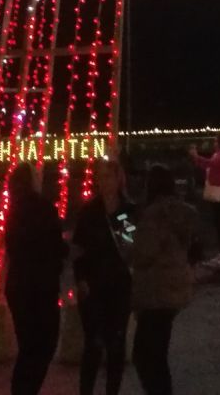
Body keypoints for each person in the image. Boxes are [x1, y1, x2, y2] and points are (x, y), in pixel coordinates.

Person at [130, 163, 199, 395]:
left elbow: (142, 253)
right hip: (174, 289)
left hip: (155, 291)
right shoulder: (181, 213)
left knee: (145, 355)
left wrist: (126, 234)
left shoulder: (154, 215)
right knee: (157, 353)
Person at [4, 162, 68, 395]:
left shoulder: (14, 211)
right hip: (40, 288)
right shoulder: (42, 208)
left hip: (18, 287)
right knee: (44, 346)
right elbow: (55, 245)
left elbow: (13, 248)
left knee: (28, 348)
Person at [72, 158, 134, 395]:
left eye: (108, 176)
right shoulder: (89, 212)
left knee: (116, 344)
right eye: (101, 177)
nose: (104, 182)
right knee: (93, 344)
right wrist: (81, 279)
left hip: (119, 285)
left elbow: (129, 246)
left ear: (118, 179)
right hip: (94, 286)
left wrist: (120, 219)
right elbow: (79, 250)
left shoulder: (126, 210)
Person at [188, 135, 220, 258]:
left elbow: (211, 164)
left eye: (216, 141)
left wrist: (196, 156)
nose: (214, 144)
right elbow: (209, 164)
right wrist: (197, 158)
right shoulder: (219, 155)